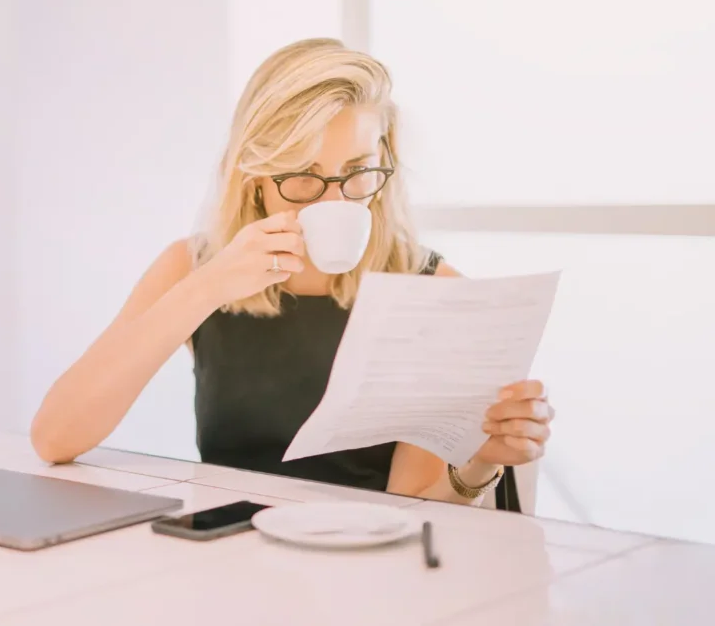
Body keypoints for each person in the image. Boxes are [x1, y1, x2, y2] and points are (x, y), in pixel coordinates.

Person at [31, 38, 553, 505]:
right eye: (302, 177)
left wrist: (482, 462)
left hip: (364, 574)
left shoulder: (431, 292)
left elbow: (412, 505)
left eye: (356, 172)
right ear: (254, 175)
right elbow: (55, 437)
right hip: (226, 561)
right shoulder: (191, 269)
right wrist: (207, 287)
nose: (333, 201)